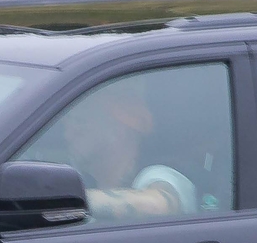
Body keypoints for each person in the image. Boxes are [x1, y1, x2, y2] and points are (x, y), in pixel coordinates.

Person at [33, 78, 199, 222]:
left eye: (80, 123)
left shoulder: (159, 174)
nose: (68, 135)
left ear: (119, 131)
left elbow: (156, 205)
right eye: (67, 125)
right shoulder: (84, 178)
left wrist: (56, 202)